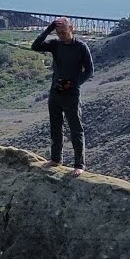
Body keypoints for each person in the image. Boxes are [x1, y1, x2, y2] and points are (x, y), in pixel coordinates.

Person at [31, 17, 93, 175]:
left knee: (75, 129)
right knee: (55, 127)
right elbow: (35, 46)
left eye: (64, 32)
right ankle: (56, 159)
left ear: (71, 28)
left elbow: (89, 70)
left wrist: (74, 84)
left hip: (71, 94)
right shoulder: (55, 44)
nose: (61, 35)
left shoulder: (81, 47)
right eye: (58, 33)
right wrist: (48, 29)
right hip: (56, 91)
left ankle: (79, 165)